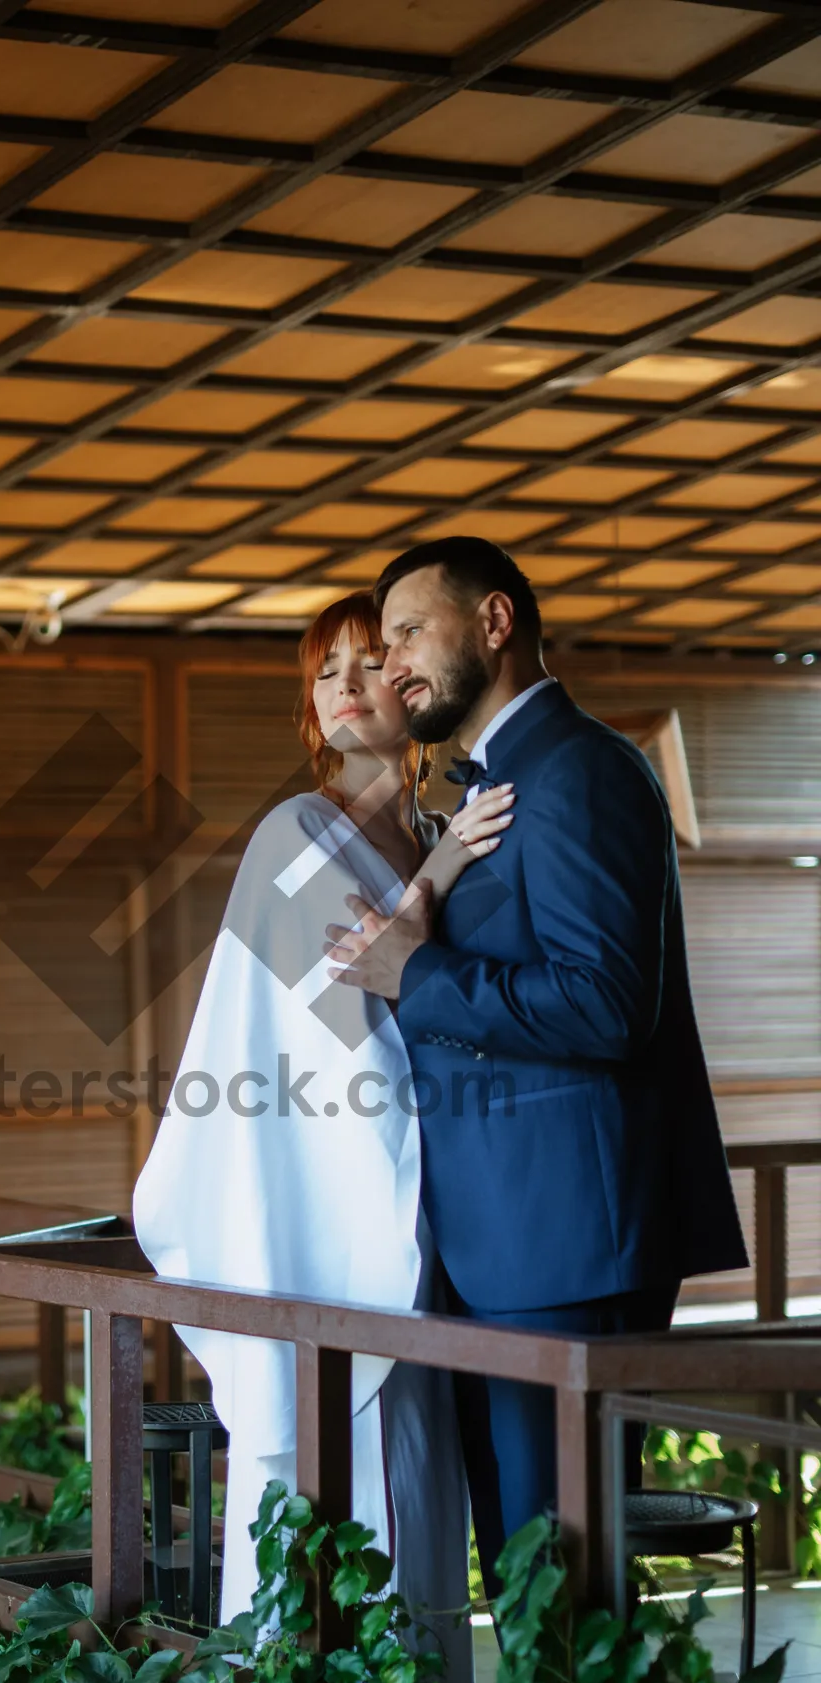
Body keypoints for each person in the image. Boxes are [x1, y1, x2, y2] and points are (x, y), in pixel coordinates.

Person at [325, 537, 748, 1597]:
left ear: (497, 622)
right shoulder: (500, 785)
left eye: (412, 632)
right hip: (500, 1241)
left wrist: (416, 975)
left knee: (556, 1585)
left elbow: (607, 1006)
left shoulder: (581, 770)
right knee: (524, 1582)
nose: (395, 663)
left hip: (570, 1245)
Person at [132, 590, 512, 1683]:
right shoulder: (295, 834)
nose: (344, 683)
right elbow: (362, 1010)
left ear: (412, 687)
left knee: (421, 1493)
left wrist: (441, 864)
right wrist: (442, 880)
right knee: (345, 1495)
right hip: (332, 1211)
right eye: (322, 670)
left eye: (367, 659)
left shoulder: (443, 828)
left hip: (430, 1212)